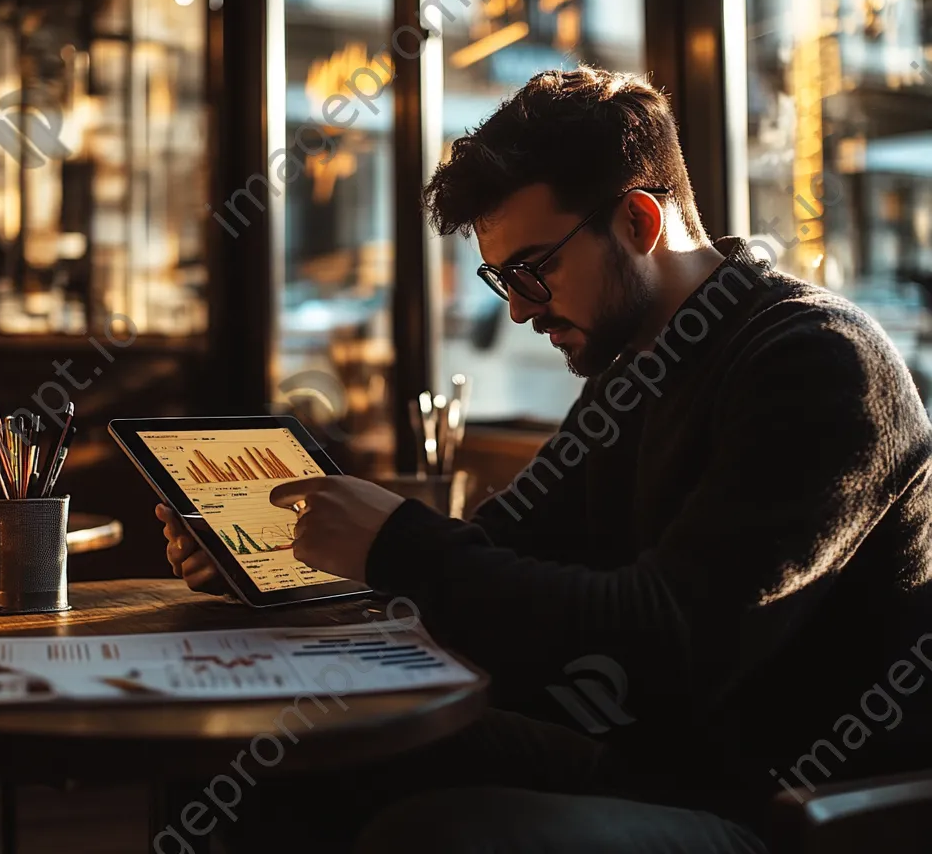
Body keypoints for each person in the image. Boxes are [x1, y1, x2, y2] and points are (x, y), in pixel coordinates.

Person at [157, 67, 932, 853]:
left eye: (535, 269)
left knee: (435, 836)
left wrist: (395, 546)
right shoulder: (637, 368)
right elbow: (502, 547)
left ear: (637, 222)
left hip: (785, 809)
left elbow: (665, 641)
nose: (521, 308)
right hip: (649, 760)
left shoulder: (816, 361)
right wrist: (279, 560)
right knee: (253, 757)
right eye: (502, 280)